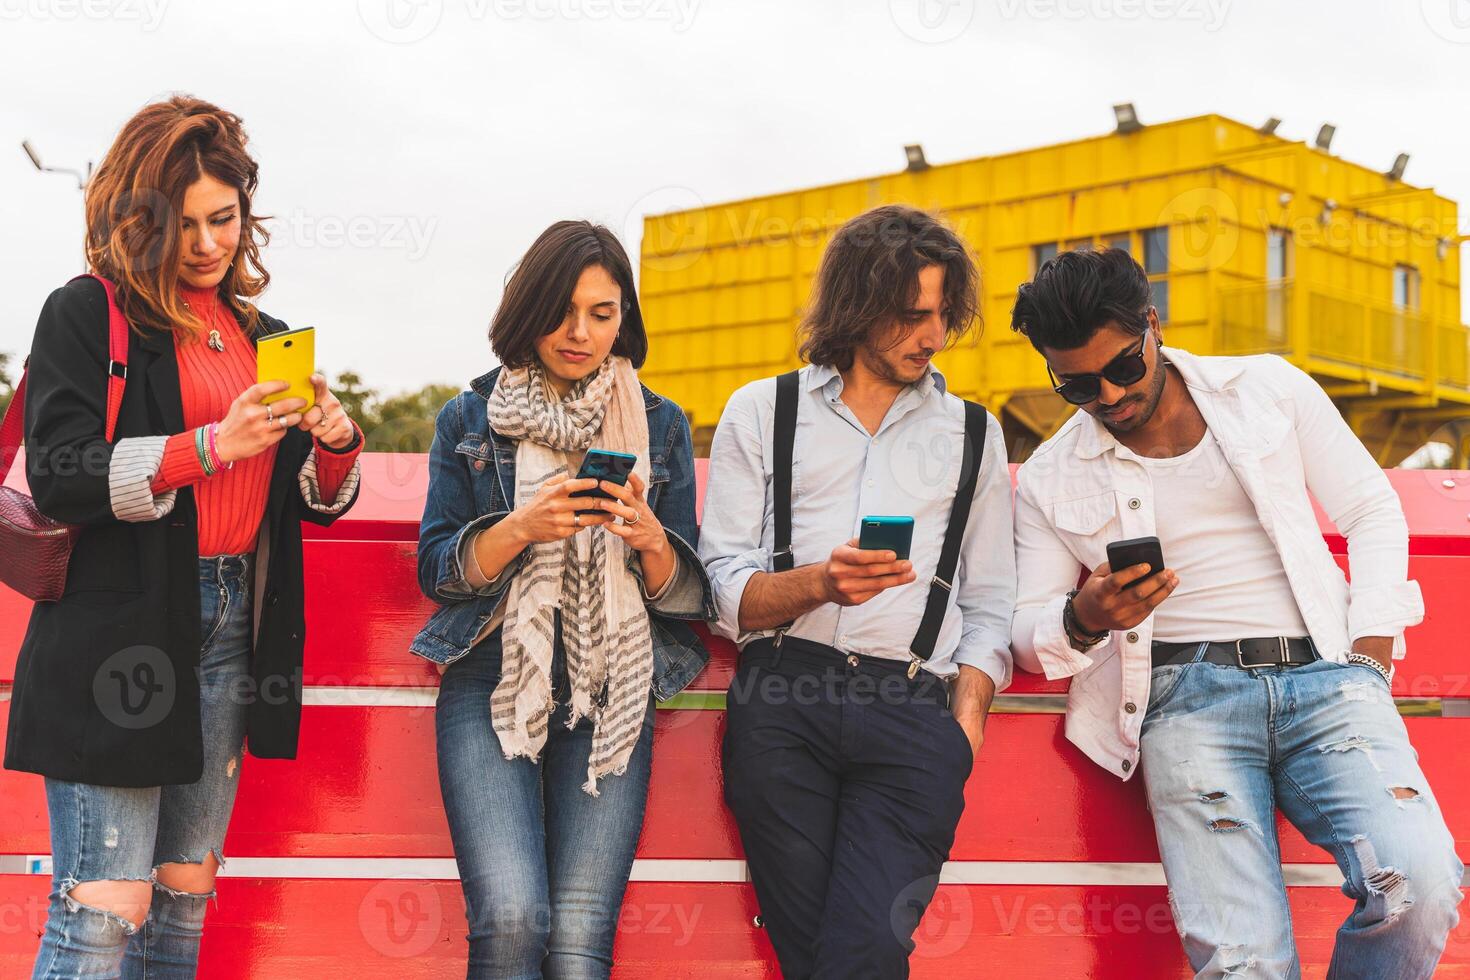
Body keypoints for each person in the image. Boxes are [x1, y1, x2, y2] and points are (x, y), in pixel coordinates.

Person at [1009, 246, 1463, 977]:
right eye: (1078, 386)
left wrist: (1370, 657)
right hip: (1185, 702)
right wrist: (1086, 614)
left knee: (1422, 883)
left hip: (1328, 681)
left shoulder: (1268, 389)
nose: (1110, 396)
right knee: (1242, 964)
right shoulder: (1048, 478)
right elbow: (1028, 636)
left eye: (1124, 367)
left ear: (1153, 324)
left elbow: (1372, 507)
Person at [7, 96, 363, 979]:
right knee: (103, 905)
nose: (209, 244)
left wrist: (333, 440)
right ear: (139, 220)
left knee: (182, 895)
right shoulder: (88, 313)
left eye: (225, 219)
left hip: (235, 625)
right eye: (185, 224)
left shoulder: (263, 337)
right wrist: (209, 445)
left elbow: (306, 505)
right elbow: (60, 472)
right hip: (118, 627)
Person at [699, 204, 1014, 978]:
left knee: (868, 947)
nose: (933, 336)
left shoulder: (974, 433)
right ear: (857, 307)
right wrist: (820, 585)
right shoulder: (760, 411)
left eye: (943, 315)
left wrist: (964, 721)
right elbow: (721, 588)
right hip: (782, 703)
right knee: (811, 957)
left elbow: (993, 598)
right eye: (913, 316)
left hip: (913, 713)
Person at [410, 220, 713, 978]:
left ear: (624, 319)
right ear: (528, 308)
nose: (580, 333)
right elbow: (439, 571)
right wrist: (518, 528)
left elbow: (685, 598)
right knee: (511, 920)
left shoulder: (663, 424)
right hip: (491, 676)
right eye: (562, 310)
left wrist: (648, 537)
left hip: (615, 685)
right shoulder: (470, 418)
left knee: (578, 952)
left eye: (602, 313)